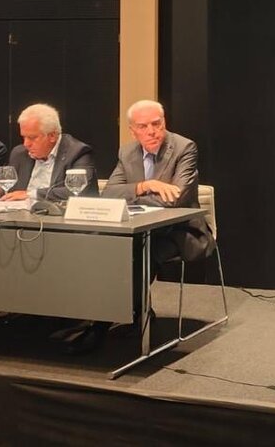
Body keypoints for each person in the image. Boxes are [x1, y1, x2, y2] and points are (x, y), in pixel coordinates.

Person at [64, 100, 213, 355]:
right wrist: (147, 186)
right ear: (132, 131)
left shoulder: (184, 147)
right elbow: (110, 193)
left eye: (157, 124)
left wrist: (132, 194)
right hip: (139, 229)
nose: (152, 131)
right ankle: (133, 313)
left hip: (180, 231)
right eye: (143, 127)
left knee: (139, 253)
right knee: (108, 248)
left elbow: (174, 199)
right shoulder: (127, 152)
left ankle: (101, 326)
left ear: (164, 122)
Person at [0, 104, 97, 203]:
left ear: (52, 136)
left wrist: (31, 194)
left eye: (32, 138)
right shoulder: (19, 153)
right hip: (20, 218)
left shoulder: (77, 152)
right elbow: (8, 189)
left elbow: (77, 191)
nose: (26, 144)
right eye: (23, 137)